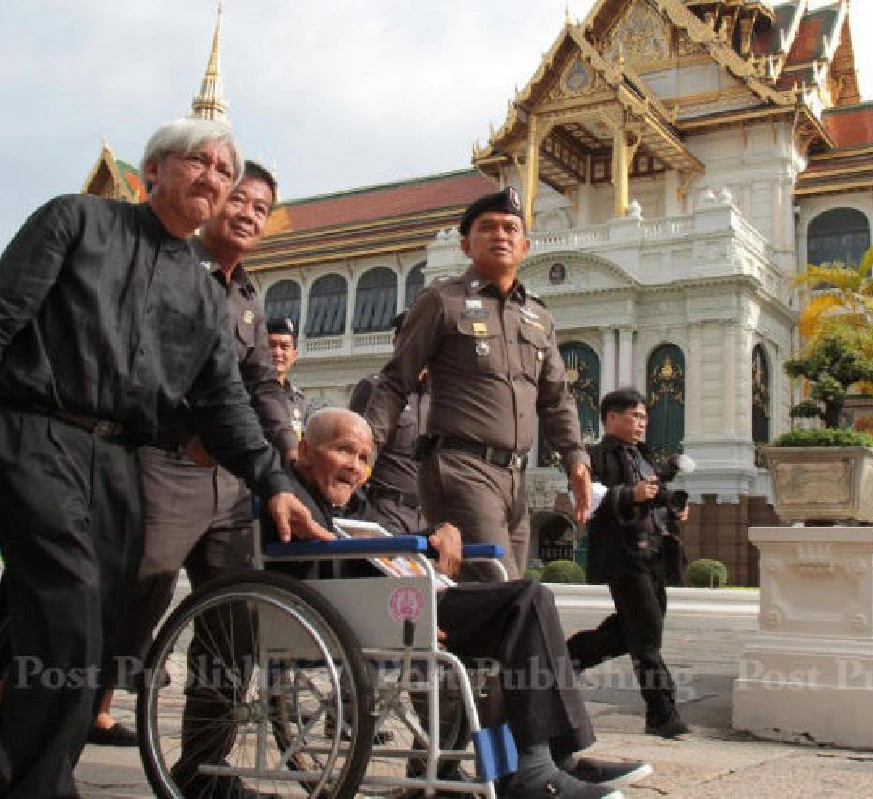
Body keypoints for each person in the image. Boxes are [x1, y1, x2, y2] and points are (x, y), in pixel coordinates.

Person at [0, 117, 330, 799]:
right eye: (199, 163)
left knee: (99, 627)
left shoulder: (205, 295)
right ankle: (39, 784)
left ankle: (33, 773)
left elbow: (226, 403)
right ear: (154, 172)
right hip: (37, 433)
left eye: (225, 171)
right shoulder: (76, 222)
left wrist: (275, 481)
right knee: (67, 603)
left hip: (122, 462)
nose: (214, 179)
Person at [262, 408, 652, 799]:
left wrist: (437, 533)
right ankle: (533, 768)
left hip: (399, 605)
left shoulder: (354, 503)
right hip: (371, 615)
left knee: (524, 611)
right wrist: (407, 610)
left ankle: (543, 760)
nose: (355, 467)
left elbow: (389, 545)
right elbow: (324, 572)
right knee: (525, 601)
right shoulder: (291, 500)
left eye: (365, 458)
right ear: (305, 451)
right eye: (344, 451)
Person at [87, 160, 300, 747]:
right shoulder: (171, 266)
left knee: (236, 611)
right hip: (165, 459)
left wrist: (287, 454)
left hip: (230, 476)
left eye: (261, 209)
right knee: (139, 589)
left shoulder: (251, 298)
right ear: (212, 203)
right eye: (240, 200)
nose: (249, 215)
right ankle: (81, 709)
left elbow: (262, 386)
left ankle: (205, 761)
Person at [363, 187, 591, 580]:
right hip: (461, 468)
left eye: (510, 228)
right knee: (496, 584)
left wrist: (576, 459)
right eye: (487, 228)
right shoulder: (442, 301)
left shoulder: (538, 317)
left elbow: (556, 399)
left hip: (514, 479)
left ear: (525, 245)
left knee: (504, 592)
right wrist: (364, 450)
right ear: (467, 244)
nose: (500, 235)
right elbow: (395, 380)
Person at [566, 389, 690, 740]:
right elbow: (587, 500)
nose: (641, 424)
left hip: (655, 555)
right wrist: (629, 495)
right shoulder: (595, 456)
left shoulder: (645, 456)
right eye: (634, 416)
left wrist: (674, 506)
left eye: (644, 418)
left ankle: (566, 660)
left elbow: (656, 495)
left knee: (632, 630)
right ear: (611, 417)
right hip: (624, 556)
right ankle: (662, 714)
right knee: (647, 636)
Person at [348, 311, 428, 535]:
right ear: (395, 342)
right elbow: (356, 452)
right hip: (386, 512)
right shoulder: (374, 389)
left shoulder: (441, 398)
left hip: (429, 517)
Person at [267, 316, 307, 436]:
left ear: (294, 355)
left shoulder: (298, 400)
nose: (277, 353)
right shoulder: (246, 394)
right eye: (271, 346)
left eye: (284, 347)